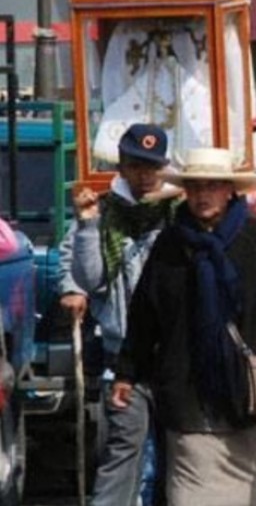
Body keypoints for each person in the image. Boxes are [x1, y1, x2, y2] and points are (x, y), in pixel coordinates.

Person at [113, 147, 256, 505]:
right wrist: (127, 373)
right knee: (189, 493)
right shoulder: (170, 244)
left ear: (230, 191)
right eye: (195, 187)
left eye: (212, 186)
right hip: (187, 393)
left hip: (250, 394)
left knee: (254, 491)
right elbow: (145, 317)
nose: (203, 195)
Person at [70, 123, 181, 506]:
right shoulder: (106, 211)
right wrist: (87, 225)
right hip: (123, 355)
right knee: (123, 448)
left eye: (152, 166)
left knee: (178, 452)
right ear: (122, 165)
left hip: (175, 355)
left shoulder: (178, 211)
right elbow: (91, 277)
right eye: (136, 165)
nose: (144, 175)